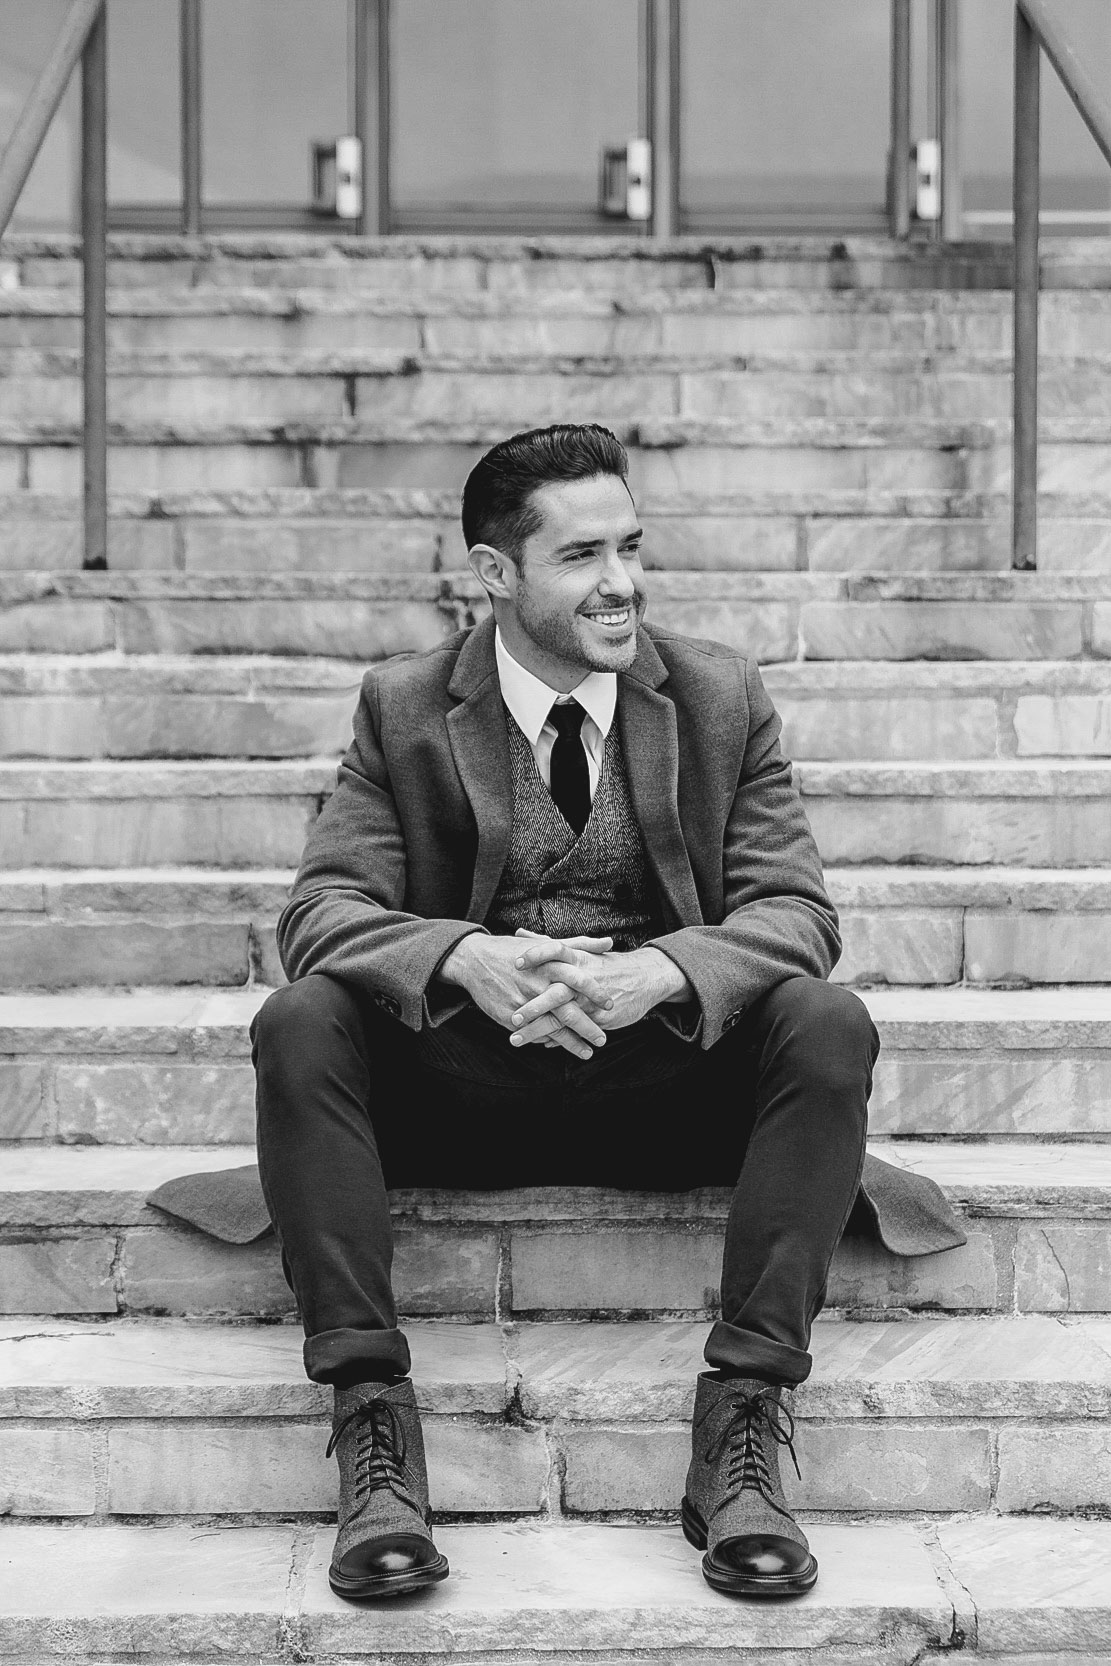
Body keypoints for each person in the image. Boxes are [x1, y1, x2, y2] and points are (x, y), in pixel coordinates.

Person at [242, 422, 960, 1603]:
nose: (620, 582)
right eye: (581, 556)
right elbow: (321, 909)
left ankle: (741, 1430)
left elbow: (795, 909)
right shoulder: (407, 706)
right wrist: (465, 956)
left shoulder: (718, 693)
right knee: (301, 1019)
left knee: (827, 1020)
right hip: (467, 1088)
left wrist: (663, 974)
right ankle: (374, 1433)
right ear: (495, 574)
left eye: (630, 547)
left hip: (662, 1087)